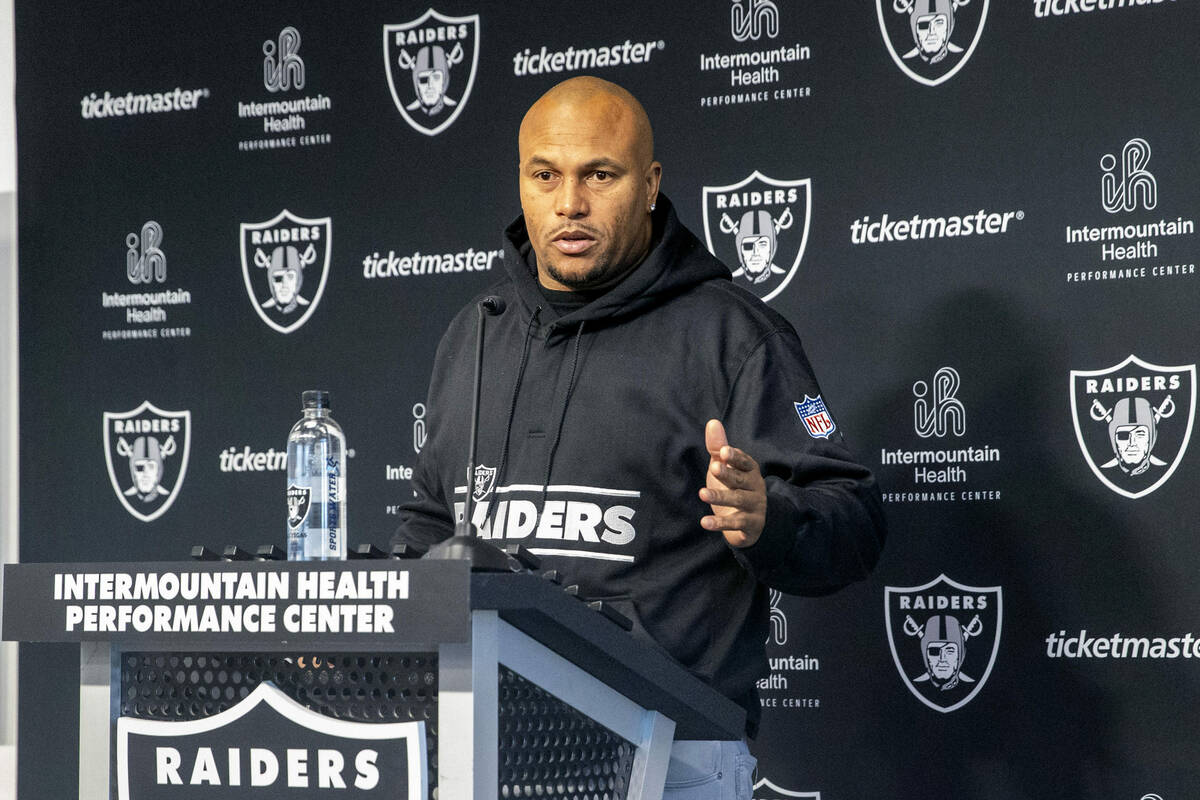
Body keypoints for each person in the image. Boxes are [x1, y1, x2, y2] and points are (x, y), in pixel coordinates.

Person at [396, 76, 885, 798]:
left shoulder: (733, 337)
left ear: (650, 183)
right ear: (522, 184)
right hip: (482, 755)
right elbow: (433, 522)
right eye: (545, 175)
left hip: (666, 765)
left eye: (600, 174)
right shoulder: (477, 332)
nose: (570, 203)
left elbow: (854, 516)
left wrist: (768, 517)